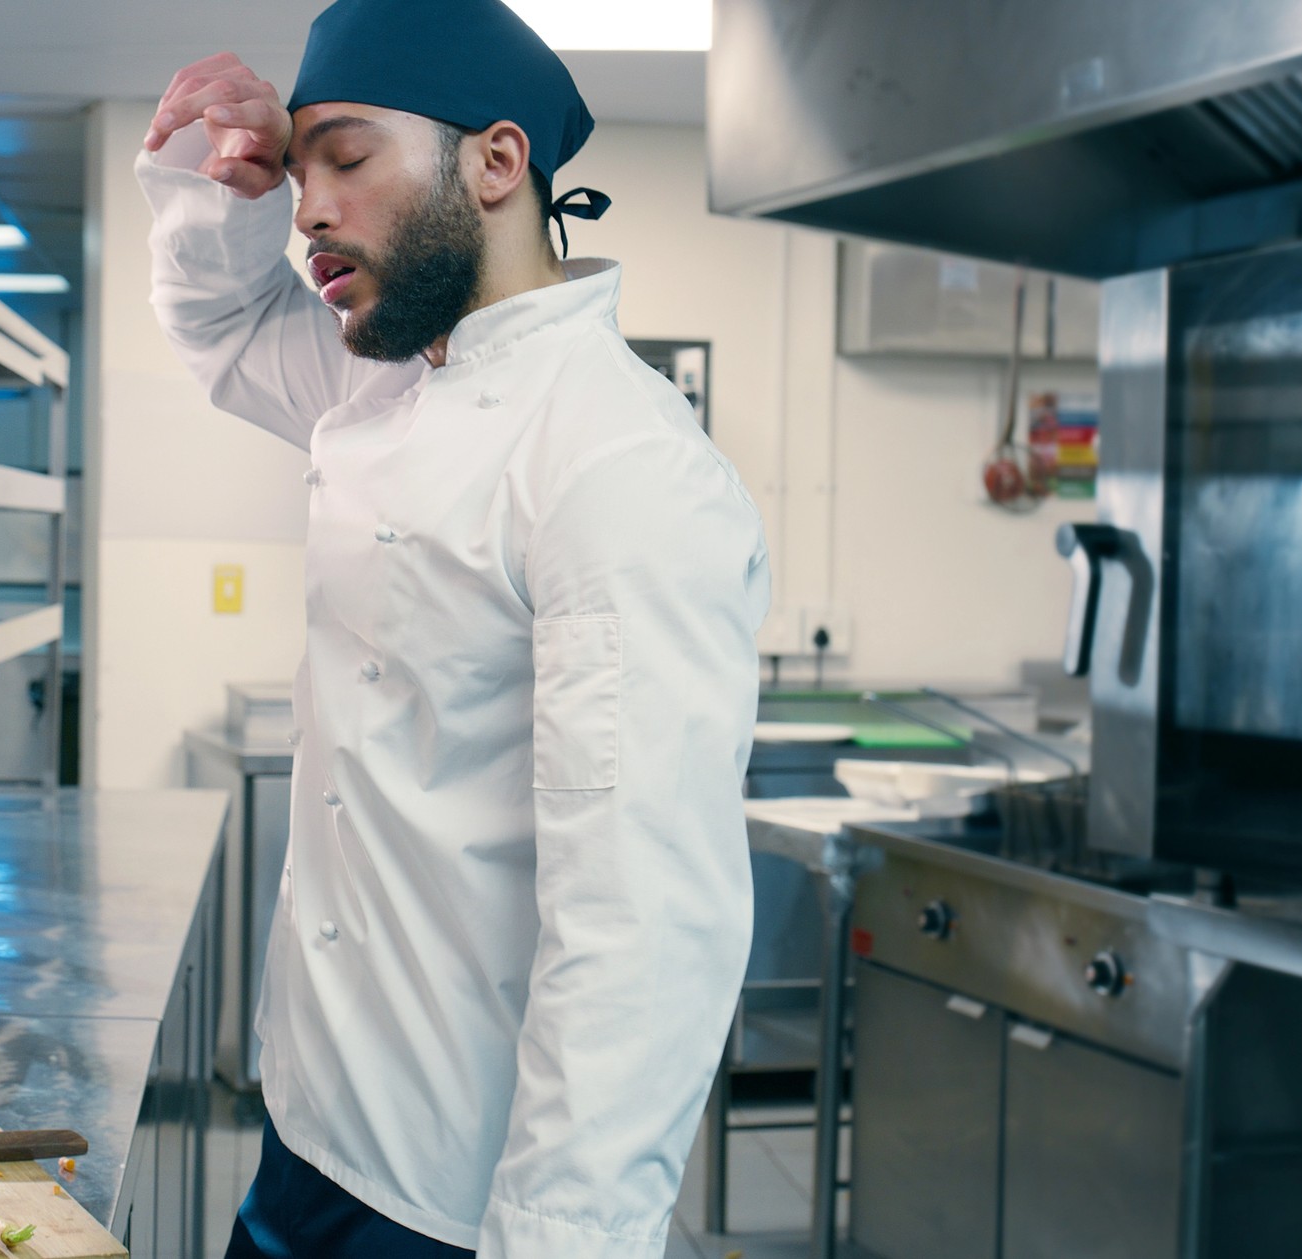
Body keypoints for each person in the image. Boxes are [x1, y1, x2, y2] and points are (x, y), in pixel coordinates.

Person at [137, 2, 772, 1256]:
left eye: (349, 156)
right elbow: (217, 326)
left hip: (456, 1190)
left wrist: (557, 1235)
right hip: (312, 1120)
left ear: (496, 162)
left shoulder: (617, 460)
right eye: (301, 166)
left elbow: (640, 928)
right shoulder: (386, 382)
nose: (310, 207)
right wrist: (218, 183)